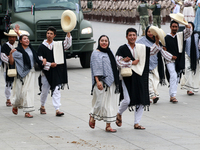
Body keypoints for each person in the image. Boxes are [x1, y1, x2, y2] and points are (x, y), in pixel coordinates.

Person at [115, 28, 161, 130]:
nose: (132, 37)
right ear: (126, 37)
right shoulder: (122, 49)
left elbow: (153, 51)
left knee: (140, 99)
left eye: (134, 35)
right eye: (130, 35)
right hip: (127, 77)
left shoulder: (142, 47)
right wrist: (130, 62)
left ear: (136, 36)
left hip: (140, 76)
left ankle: (137, 123)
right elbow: (118, 62)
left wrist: (157, 40)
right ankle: (119, 113)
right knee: (127, 100)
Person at [9, 27, 46, 118]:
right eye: (24, 39)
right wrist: (10, 54)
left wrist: (42, 62)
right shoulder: (17, 51)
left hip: (30, 73)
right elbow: (11, 62)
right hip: (20, 75)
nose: (27, 40)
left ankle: (27, 111)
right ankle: (15, 105)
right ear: (20, 41)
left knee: (28, 91)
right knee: (19, 93)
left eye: (27, 39)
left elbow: (36, 59)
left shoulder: (31, 50)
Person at [37, 26, 72, 117]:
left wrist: (68, 34)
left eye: (51, 34)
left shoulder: (57, 45)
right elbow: (40, 60)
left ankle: (57, 109)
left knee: (56, 89)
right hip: (46, 72)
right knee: (45, 90)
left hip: (56, 71)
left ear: (54, 35)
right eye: (48, 33)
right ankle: (42, 105)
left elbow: (67, 45)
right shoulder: (42, 46)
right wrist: (49, 64)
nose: (49, 35)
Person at [136, 26, 177, 103]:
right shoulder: (140, 41)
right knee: (148, 80)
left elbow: (163, 52)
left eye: (151, 32)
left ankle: (150, 95)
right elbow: (136, 49)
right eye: (148, 32)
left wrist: (171, 57)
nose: (150, 33)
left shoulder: (158, 41)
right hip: (145, 64)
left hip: (155, 64)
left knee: (155, 80)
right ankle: (152, 95)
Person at [89, 35, 120, 132]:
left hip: (111, 82)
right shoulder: (95, 53)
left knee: (110, 104)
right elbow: (95, 68)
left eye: (106, 41)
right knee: (100, 103)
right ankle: (92, 115)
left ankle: (108, 125)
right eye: (102, 41)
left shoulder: (109, 52)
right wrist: (97, 81)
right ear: (99, 42)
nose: (104, 42)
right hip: (101, 82)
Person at [165, 20, 192, 103]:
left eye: (176, 27)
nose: (174, 28)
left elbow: (188, 32)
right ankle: (173, 95)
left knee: (176, 77)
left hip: (179, 60)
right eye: (173, 26)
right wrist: (170, 56)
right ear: (170, 27)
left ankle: (172, 95)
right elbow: (163, 50)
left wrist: (186, 25)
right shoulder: (166, 37)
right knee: (173, 75)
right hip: (169, 60)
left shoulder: (180, 36)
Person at [180, 22, 200, 95]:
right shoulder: (184, 35)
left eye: (190, 26)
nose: (189, 28)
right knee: (188, 69)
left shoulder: (197, 35)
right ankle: (189, 89)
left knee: (194, 72)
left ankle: (192, 87)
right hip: (186, 55)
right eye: (188, 26)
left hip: (196, 57)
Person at [1, 29, 18, 107]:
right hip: (7, 68)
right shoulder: (5, 46)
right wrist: (11, 59)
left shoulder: (18, 45)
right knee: (8, 84)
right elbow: (3, 57)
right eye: (10, 37)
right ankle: (8, 99)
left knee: (17, 84)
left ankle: (16, 99)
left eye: (13, 37)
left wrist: (11, 57)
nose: (12, 38)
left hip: (18, 68)